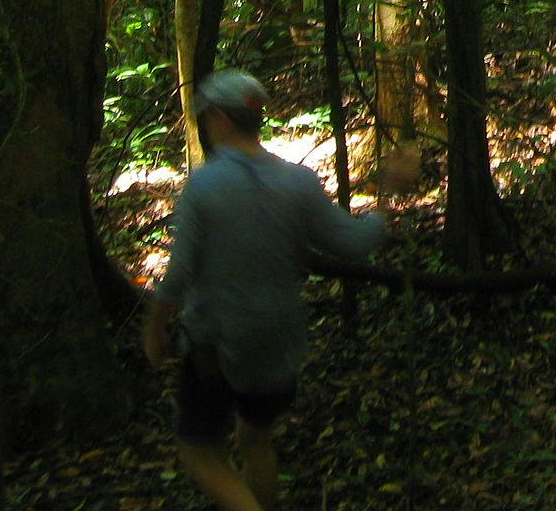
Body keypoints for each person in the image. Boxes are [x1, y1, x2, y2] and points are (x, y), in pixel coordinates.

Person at [144, 70, 387, 511]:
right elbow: (354, 243)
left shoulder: (204, 185)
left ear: (219, 118)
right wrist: (387, 195)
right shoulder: (297, 181)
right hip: (280, 345)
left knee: (199, 450)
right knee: (255, 436)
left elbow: (178, 275)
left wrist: (154, 328)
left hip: (217, 349)